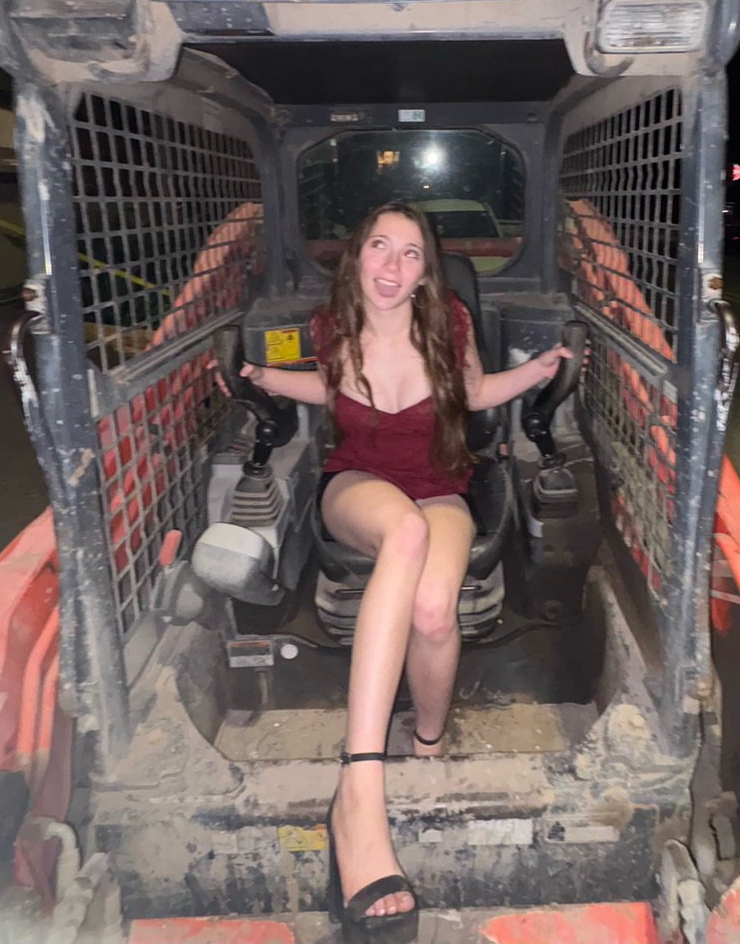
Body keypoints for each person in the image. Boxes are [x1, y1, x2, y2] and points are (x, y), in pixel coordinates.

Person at [240, 201, 571, 943]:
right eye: (379, 248)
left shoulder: (448, 320)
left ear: (427, 271)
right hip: (357, 486)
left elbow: (476, 394)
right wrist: (266, 375)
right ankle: (360, 785)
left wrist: (538, 373)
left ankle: (425, 740)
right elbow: (329, 392)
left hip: (441, 484)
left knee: (433, 612)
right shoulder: (329, 327)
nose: (392, 267)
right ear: (356, 256)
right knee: (404, 533)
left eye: (411, 254)